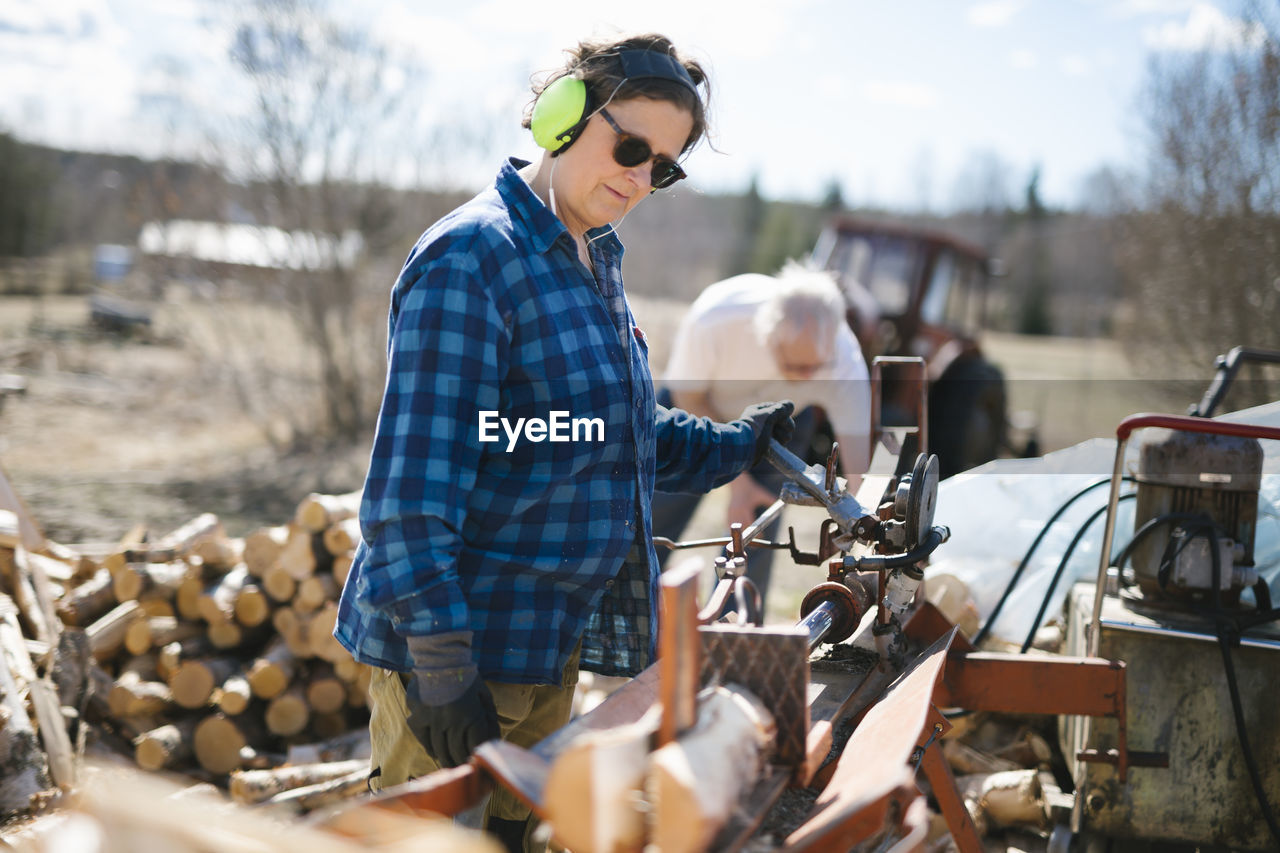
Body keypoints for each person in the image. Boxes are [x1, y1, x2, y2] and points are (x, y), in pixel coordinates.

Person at [333, 33, 795, 853]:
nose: (640, 177)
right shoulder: (472, 259)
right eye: (629, 146)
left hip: (545, 648)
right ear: (562, 115)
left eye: (664, 165)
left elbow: (615, 433)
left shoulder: (594, 261)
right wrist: (442, 666)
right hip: (461, 658)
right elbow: (407, 496)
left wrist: (740, 445)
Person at [653, 262, 872, 606]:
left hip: (775, 428)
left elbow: (860, 466)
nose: (806, 376)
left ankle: (734, 639)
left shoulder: (845, 361)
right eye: (794, 366)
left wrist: (864, 530)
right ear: (767, 335)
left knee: (756, 529)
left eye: (816, 367)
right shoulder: (719, 319)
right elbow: (688, 396)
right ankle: (629, 622)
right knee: (651, 517)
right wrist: (736, 480)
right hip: (696, 409)